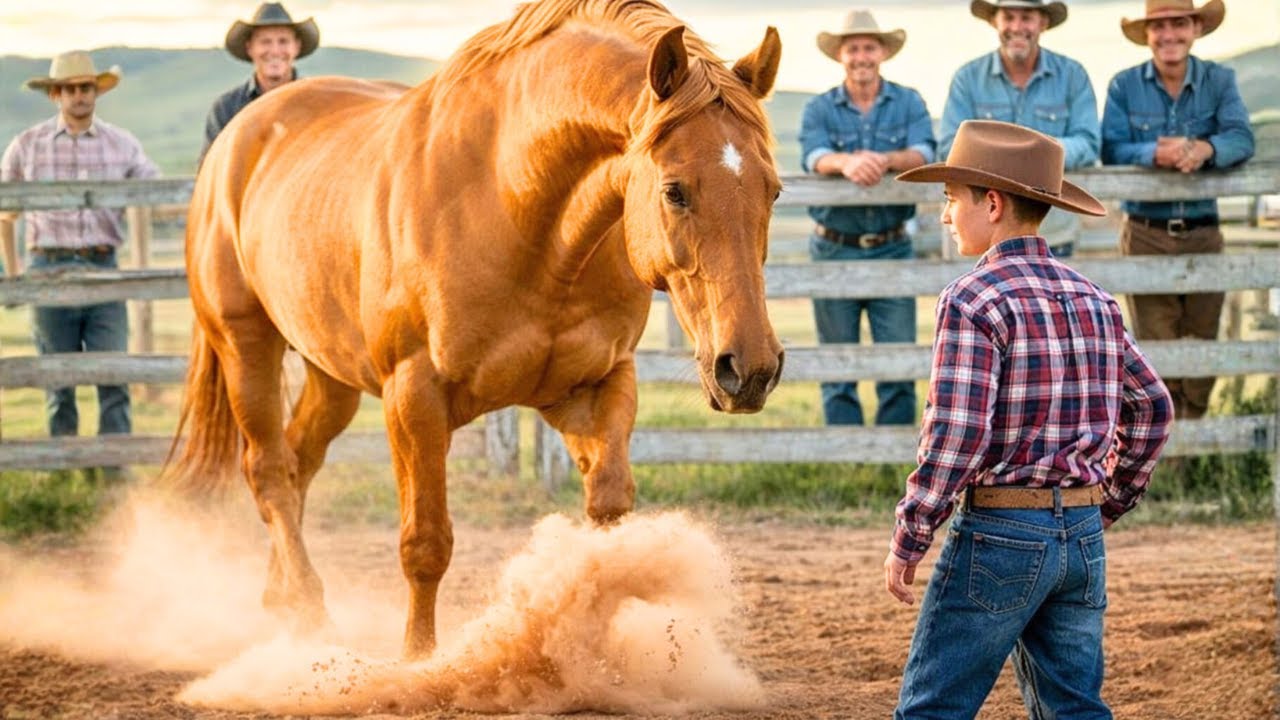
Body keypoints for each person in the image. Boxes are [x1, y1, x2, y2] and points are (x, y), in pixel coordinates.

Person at [884, 120, 1174, 718]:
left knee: (932, 707)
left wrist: (913, 531)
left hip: (1001, 532)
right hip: (1083, 537)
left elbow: (959, 434)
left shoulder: (973, 298)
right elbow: (1153, 408)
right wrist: (1108, 499)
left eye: (950, 200)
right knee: (1073, 706)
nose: (944, 216)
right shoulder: (1095, 299)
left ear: (990, 204)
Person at [1101, 0, 1254, 420]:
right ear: (1147, 34)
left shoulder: (1219, 80)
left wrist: (1207, 148)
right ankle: (1165, 453)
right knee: (1156, 345)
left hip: (1204, 229)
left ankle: (1193, 439)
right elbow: (1110, 147)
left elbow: (1242, 137)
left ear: (1196, 29)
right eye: (1159, 26)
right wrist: (1156, 152)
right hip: (1145, 230)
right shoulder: (1123, 85)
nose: (1169, 34)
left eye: (1179, 23)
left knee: (1203, 339)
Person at [0, 50, 159, 442]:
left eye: (86, 87)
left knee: (114, 371)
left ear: (96, 92)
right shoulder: (28, 145)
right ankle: (64, 465)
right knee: (58, 378)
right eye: (70, 89)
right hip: (47, 267)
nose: (79, 96)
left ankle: (114, 468)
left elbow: (155, 190)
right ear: (56, 95)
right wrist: (14, 274)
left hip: (103, 267)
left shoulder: (121, 144)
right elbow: (5, 210)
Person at [798, 9, 935, 426]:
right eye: (853, 48)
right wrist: (845, 162)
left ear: (882, 53)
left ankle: (892, 450)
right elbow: (813, 155)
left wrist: (885, 159)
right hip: (833, 245)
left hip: (892, 243)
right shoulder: (819, 108)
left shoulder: (908, 101)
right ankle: (845, 450)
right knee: (837, 361)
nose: (861, 55)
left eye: (869, 47)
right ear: (841, 55)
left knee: (896, 358)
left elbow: (926, 151)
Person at [939, 0, 1099, 258]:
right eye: (1009, 17)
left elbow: (1088, 143)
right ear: (995, 21)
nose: (1017, 26)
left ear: (1043, 23)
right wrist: (1026, 158)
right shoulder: (967, 78)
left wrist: (1026, 157)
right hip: (980, 235)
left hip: (1051, 231)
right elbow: (949, 146)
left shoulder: (1072, 75)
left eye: (1026, 17)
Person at [199, 2, 319, 165]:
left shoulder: (316, 103)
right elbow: (210, 172)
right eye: (265, 42)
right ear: (250, 48)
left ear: (296, 47)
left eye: (283, 41)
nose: (275, 51)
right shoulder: (226, 109)